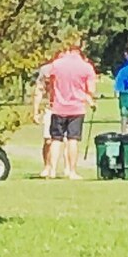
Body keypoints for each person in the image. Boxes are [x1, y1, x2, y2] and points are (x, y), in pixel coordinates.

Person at [34, 35, 98, 179]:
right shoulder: (86, 67)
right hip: (77, 108)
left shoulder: (57, 64)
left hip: (58, 106)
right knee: (72, 139)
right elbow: (91, 90)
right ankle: (72, 171)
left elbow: (46, 79)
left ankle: (52, 169)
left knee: (56, 139)